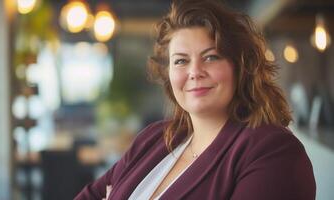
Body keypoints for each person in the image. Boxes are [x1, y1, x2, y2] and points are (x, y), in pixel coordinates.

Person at [75, 0, 316, 199]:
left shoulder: (272, 151)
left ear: (240, 67)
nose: (195, 71)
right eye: (181, 60)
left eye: (211, 57)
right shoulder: (154, 138)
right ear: (168, 74)